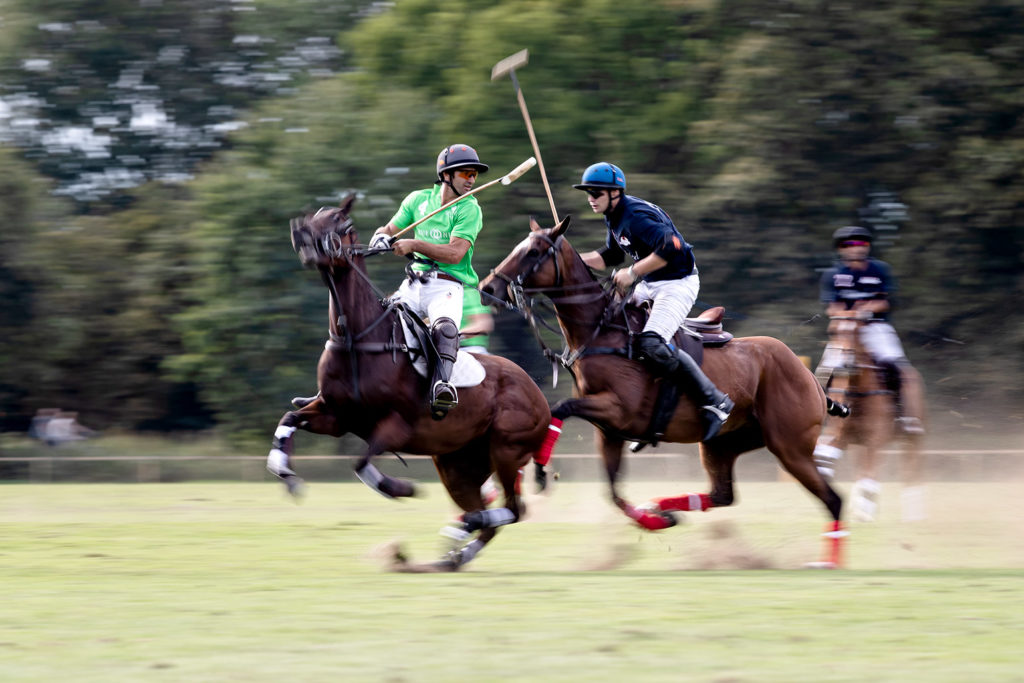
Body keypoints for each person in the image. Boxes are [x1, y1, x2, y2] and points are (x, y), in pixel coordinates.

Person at [573, 161, 733, 441]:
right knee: (611, 326)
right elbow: (611, 256)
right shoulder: (614, 215)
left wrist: (632, 272)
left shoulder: (634, 215)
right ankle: (645, 411)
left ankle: (715, 400)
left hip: (677, 283)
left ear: (615, 193)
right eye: (587, 193)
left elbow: (673, 247)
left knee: (651, 343)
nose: (590, 199)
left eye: (595, 193)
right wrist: (570, 259)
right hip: (650, 284)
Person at [367, 143, 489, 419]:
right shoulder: (417, 201)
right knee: (374, 320)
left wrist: (413, 244)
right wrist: (381, 238)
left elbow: (456, 254)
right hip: (413, 283)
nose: (471, 180)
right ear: (446, 175)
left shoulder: (470, 209)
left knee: (444, 329)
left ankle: (442, 386)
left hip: (447, 285)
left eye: (475, 175)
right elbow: (388, 229)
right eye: (466, 173)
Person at [820, 225, 923, 434]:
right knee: (825, 371)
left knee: (895, 364)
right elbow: (832, 307)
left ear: (867, 246)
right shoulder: (832, 275)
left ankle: (904, 416)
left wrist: (865, 310)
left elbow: (884, 302)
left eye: (861, 243)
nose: (856, 248)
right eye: (849, 244)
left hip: (876, 327)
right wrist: (847, 316)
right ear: (841, 248)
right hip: (845, 328)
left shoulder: (880, 269)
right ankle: (820, 416)